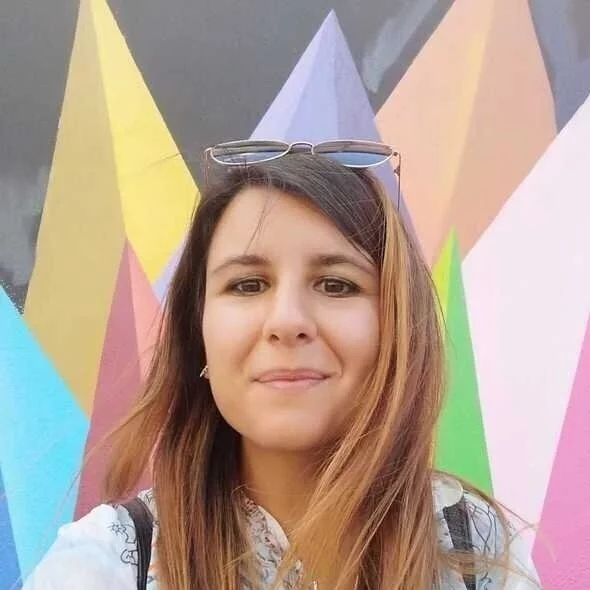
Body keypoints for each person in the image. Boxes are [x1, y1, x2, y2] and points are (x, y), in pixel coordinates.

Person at [23, 140, 540, 589]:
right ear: (197, 336)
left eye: (336, 284)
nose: (287, 321)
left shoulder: (475, 548)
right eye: (248, 285)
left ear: (398, 329)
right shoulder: (105, 566)